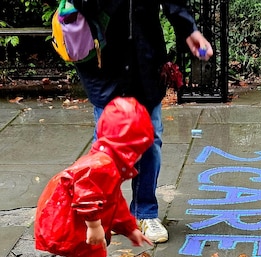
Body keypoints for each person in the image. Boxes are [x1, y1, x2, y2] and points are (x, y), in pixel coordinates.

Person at [73, 0, 213, 244]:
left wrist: (190, 30)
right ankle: (105, 212)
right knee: (105, 147)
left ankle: (144, 212)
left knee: (150, 140)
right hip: (104, 59)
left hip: (145, 59)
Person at [35, 97, 154, 257]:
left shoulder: (104, 159)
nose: (140, 155)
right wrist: (94, 226)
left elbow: (114, 202)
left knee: (83, 254)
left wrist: (130, 228)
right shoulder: (103, 165)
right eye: (139, 148)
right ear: (127, 146)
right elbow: (87, 195)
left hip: (66, 217)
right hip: (74, 221)